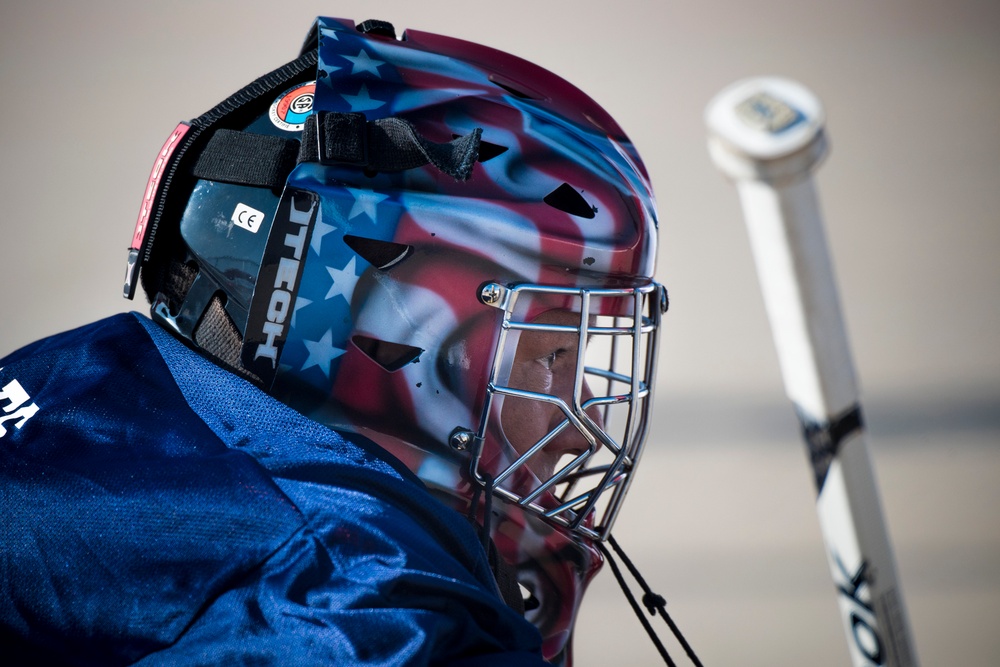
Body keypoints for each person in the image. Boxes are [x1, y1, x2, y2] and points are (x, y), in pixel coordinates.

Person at [0, 16, 666, 666]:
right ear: (402, 337)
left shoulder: (69, 373)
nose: (585, 426)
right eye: (551, 355)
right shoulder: (375, 608)